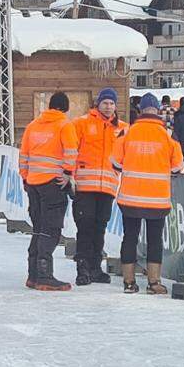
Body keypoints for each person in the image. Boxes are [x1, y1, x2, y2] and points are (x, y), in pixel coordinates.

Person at [112, 93, 184, 294]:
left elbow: (116, 164)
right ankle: (154, 283)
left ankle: (128, 282)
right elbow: (178, 167)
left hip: (130, 198)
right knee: (155, 239)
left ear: (140, 110)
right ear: (158, 111)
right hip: (157, 199)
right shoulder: (168, 135)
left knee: (130, 237)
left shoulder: (126, 133)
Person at [19, 91, 79, 291]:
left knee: (38, 228)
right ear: (65, 107)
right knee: (50, 229)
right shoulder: (64, 125)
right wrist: (68, 173)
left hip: (33, 184)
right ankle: (45, 274)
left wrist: (25, 177)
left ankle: (33, 274)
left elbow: (24, 155)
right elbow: (71, 151)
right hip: (53, 183)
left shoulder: (33, 125)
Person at [70, 88, 127, 286]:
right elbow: (70, 149)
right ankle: (82, 268)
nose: (108, 106)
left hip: (108, 187)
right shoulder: (82, 123)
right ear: (98, 104)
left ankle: (95, 267)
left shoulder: (123, 129)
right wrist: (69, 175)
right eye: (105, 103)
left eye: (111, 103)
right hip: (85, 187)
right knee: (85, 227)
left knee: (100, 227)